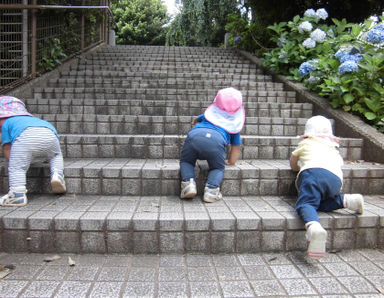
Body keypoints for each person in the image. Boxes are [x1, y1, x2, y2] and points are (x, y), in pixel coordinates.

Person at [290, 115, 364, 258]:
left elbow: (293, 162)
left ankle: (314, 228)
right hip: (335, 180)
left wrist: (296, 169)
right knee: (319, 203)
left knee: (306, 204)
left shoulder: (305, 144)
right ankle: (347, 201)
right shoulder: (332, 147)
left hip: (313, 174)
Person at [179, 87, 245, 203]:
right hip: (216, 142)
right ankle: (211, 190)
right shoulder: (234, 125)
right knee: (217, 167)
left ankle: (188, 184)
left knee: (186, 161)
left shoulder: (208, 115)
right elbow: (236, 147)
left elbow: (196, 120)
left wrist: (194, 123)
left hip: (195, 136)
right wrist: (231, 161)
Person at [0, 96, 66, 207]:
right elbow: (40, 143)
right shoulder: (34, 119)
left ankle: (17, 194)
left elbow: (7, 148)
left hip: (25, 136)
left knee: (16, 167)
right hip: (50, 133)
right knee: (56, 154)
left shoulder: (7, 124)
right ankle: (57, 174)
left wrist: (14, 161)